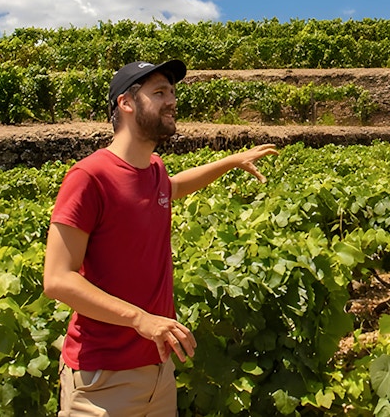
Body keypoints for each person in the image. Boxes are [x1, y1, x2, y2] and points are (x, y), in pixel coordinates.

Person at [43, 59, 278, 417]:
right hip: (102, 382)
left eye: (172, 91)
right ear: (126, 103)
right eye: (159, 92)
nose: (172, 100)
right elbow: (57, 279)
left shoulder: (154, 170)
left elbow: (174, 187)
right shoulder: (89, 177)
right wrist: (141, 319)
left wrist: (230, 161)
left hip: (158, 371)